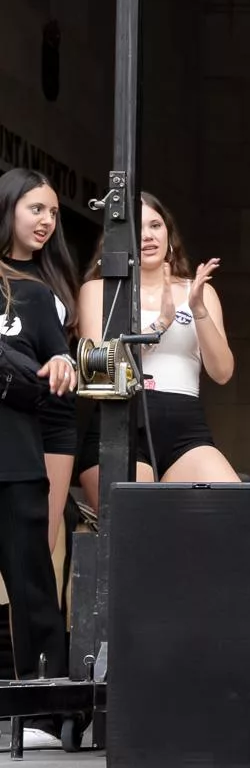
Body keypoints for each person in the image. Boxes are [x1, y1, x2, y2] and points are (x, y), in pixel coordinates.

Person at [77, 193, 240, 484]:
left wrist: (198, 309)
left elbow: (223, 372)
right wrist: (160, 325)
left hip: (185, 424)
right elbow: (97, 369)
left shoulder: (199, 291)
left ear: (168, 233)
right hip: (119, 422)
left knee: (232, 508)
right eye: (137, 229)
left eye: (155, 225)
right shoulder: (99, 291)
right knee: (141, 522)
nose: (147, 236)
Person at [0, 260, 77, 743]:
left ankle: (45, 711)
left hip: (14, 456)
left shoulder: (28, 295)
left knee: (32, 587)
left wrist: (61, 365)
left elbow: (58, 371)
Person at [1, 168, 80, 555]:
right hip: (14, 414)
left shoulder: (54, 274)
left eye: (53, 213)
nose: (47, 221)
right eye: (36, 209)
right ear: (9, 207)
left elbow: (64, 347)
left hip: (55, 417)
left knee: (38, 552)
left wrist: (67, 363)